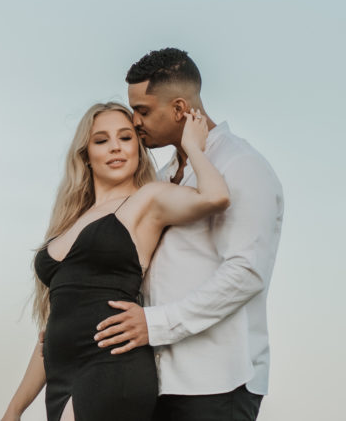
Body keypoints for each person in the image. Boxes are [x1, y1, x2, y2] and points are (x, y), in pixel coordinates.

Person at [1, 101, 229, 421]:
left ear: (138, 149)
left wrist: (192, 147)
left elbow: (216, 197)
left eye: (125, 138)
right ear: (86, 155)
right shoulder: (68, 222)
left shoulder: (146, 200)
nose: (115, 148)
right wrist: (14, 409)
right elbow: (51, 331)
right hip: (61, 379)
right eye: (102, 140)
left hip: (112, 366)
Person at [93, 48, 284, 421]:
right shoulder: (163, 176)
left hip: (216, 384)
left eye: (143, 111)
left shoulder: (242, 166)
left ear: (179, 109)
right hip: (156, 382)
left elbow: (246, 274)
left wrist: (153, 324)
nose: (135, 122)